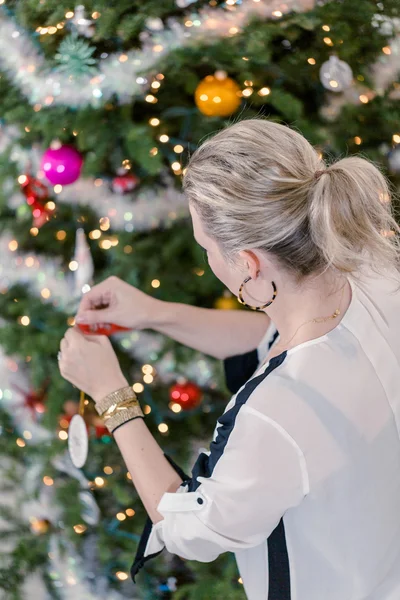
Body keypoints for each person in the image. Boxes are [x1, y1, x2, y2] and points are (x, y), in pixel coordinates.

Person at [58, 118, 400, 600]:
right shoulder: (372, 273)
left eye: (206, 246)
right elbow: (269, 337)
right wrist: (156, 313)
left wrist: (112, 396)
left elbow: (193, 530)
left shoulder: (277, 410)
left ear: (249, 263)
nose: (206, 257)